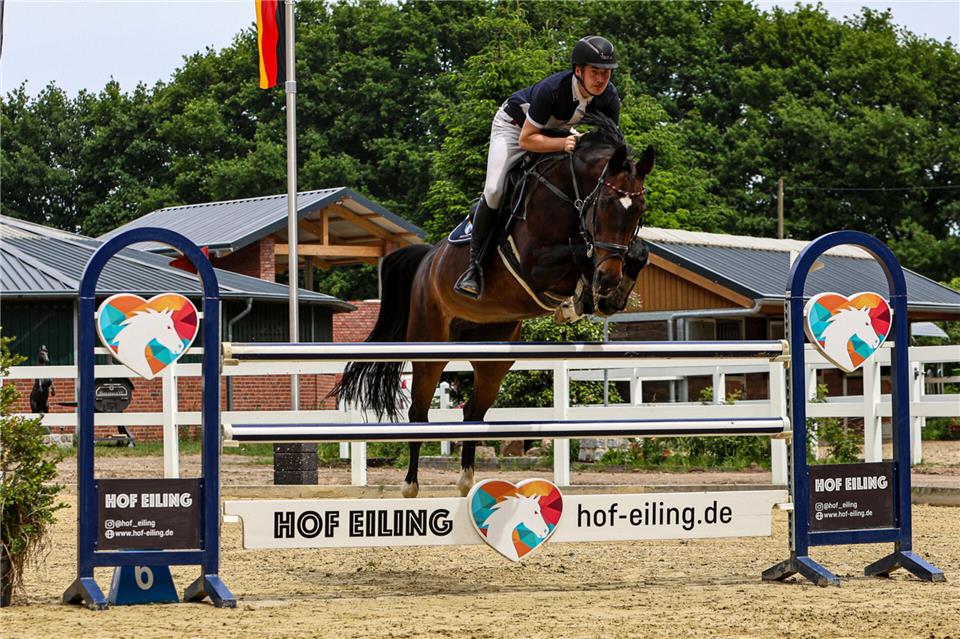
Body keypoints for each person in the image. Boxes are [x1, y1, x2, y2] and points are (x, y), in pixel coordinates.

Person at [455, 35, 622, 299]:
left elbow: (610, 147)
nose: (601, 80)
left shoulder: (609, 97)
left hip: (558, 132)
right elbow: (527, 139)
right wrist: (563, 144)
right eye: (595, 72)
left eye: (606, 73)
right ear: (578, 71)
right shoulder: (553, 90)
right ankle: (474, 268)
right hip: (514, 129)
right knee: (495, 189)